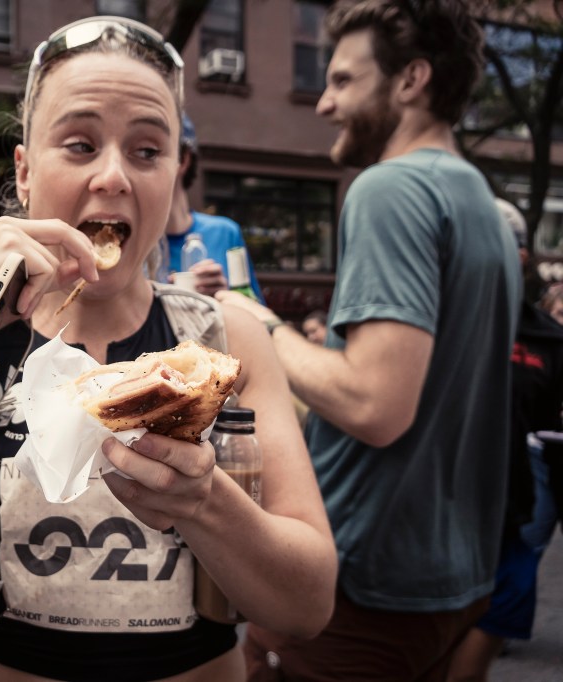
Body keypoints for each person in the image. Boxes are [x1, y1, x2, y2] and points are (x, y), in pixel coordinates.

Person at [0, 16, 337, 682]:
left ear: (173, 179)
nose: (113, 176)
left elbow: (307, 605)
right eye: (79, 145)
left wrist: (205, 504)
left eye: (146, 151)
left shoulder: (224, 336)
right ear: (24, 171)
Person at [216, 2, 522, 679]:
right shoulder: (481, 199)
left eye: (344, 81)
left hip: (366, 583)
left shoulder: (390, 188)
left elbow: (375, 405)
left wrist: (254, 321)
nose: (324, 103)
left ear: (411, 80)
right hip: (453, 580)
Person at [446, 199, 563, 681]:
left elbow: (542, 413)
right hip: (437, 514)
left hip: (510, 510)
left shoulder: (546, 338)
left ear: (517, 258)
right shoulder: (433, 319)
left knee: (504, 612)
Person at [160, 113, 264, 300]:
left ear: (183, 159)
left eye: (149, 152)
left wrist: (224, 297)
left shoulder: (225, 232)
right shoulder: (136, 243)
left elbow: (257, 314)